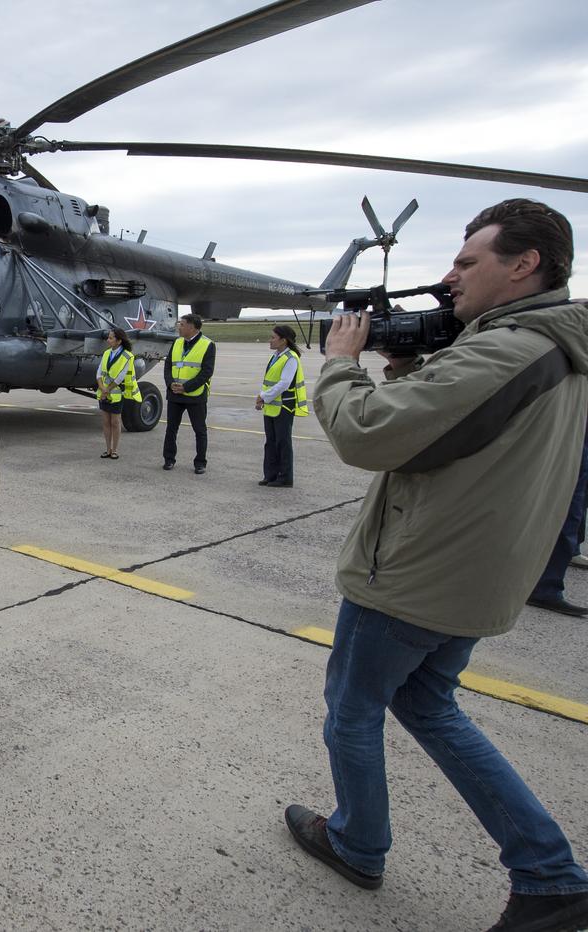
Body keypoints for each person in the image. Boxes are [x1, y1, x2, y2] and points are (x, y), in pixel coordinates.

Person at [286, 199, 588, 932]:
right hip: (473, 576)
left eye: (466, 262)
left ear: (525, 266)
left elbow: (368, 433)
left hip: (414, 579)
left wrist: (338, 365)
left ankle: (359, 842)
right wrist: (417, 372)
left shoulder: (508, 348)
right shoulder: (553, 346)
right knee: (429, 706)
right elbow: (463, 437)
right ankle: (547, 870)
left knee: (352, 712)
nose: (449, 278)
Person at [255, 324, 308, 487]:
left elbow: (284, 383)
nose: (270, 340)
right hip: (271, 406)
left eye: (273, 337)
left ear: (283, 340)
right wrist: (262, 398)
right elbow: (269, 381)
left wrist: (263, 396)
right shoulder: (276, 356)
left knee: (282, 443)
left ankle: (285, 477)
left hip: (284, 407)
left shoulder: (291, 358)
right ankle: (270, 475)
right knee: (270, 442)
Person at [162, 313, 215, 474]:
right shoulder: (177, 342)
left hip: (195, 395)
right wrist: (171, 384)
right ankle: (169, 459)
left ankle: (200, 462)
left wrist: (186, 388)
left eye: (182, 324)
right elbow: (168, 365)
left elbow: (207, 372)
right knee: (171, 428)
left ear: (192, 327)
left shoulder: (208, 345)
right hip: (175, 394)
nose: (179, 327)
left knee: (199, 430)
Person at [96, 327, 142, 460]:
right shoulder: (106, 353)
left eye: (111, 338)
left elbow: (120, 377)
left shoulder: (127, 356)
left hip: (116, 394)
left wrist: (107, 389)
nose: (108, 340)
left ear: (119, 341)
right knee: (105, 421)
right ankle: (107, 449)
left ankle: (115, 449)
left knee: (115, 422)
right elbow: (99, 372)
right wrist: (101, 387)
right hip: (104, 393)